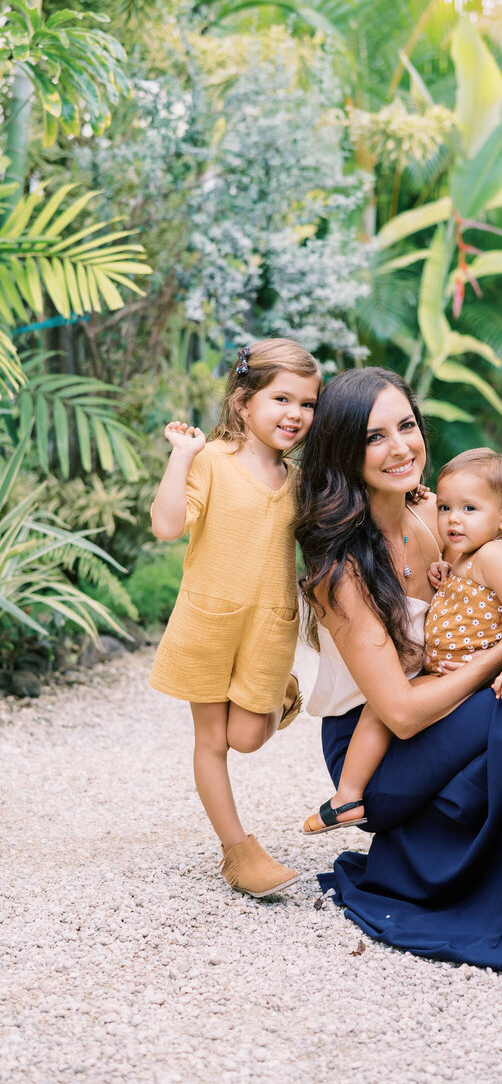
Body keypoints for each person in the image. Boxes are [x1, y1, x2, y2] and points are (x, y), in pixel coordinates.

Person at [295, 367, 502, 974]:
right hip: (381, 750)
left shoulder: (430, 520)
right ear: (343, 450)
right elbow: (404, 713)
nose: (400, 447)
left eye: (406, 426)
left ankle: (467, 854)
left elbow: (465, 616)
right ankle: (486, 874)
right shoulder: (340, 569)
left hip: (438, 707)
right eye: (373, 437)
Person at [149, 338, 321, 898]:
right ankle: (238, 851)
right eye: (282, 399)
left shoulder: (301, 480)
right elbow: (168, 525)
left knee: (247, 737)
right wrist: (182, 455)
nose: (295, 414)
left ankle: (281, 694)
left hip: (271, 625)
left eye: (307, 403)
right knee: (213, 743)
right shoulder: (211, 463)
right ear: (244, 402)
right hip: (209, 622)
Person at [301, 445, 502, 835]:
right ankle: (350, 794)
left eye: (469, 509)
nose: (452, 519)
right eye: (445, 507)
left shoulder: (496, 555)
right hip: (451, 670)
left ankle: (347, 796)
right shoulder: (461, 556)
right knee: (383, 708)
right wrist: (447, 574)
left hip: (476, 669)